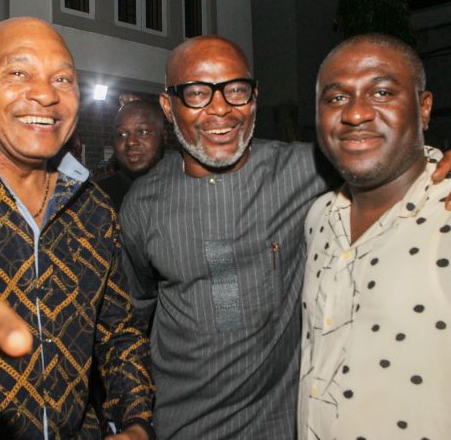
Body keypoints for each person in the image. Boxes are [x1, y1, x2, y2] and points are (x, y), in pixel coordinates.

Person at [119, 34, 451, 440]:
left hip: (280, 427)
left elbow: (383, 155)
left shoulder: (306, 169)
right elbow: (130, 319)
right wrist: (135, 418)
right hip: (180, 427)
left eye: (236, 90)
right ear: (168, 107)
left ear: (255, 98)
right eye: (197, 93)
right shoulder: (142, 204)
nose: (220, 108)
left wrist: (439, 161)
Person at [0, 17, 153, 440]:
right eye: (18, 72)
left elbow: (118, 332)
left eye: (62, 78)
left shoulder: (94, 208)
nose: (45, 94)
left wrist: (136, 423)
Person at [298, 33, 451, 439]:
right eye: (336, 98)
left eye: (382, 92)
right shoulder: (318, 218)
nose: (355, 113)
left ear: (423, 107)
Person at [97, 100, 166, 210]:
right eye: (122, 134)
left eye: (143, 132)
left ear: (163, 137)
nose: (130, 142)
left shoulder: (183, 188)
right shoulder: (97, 197)